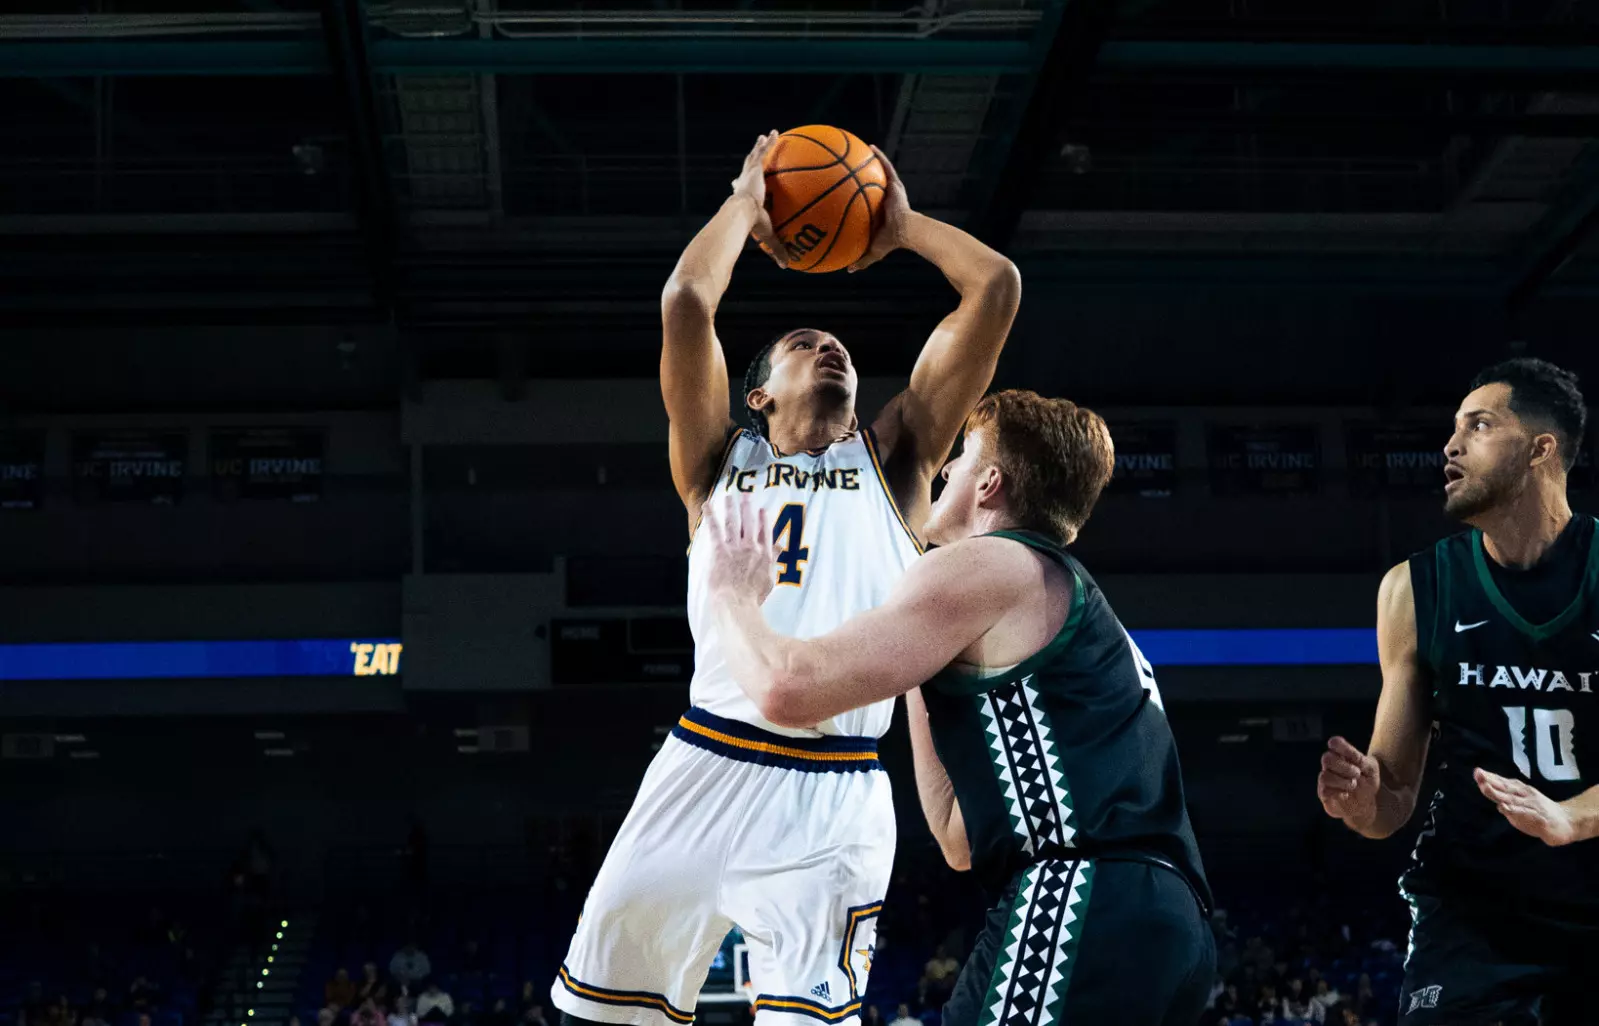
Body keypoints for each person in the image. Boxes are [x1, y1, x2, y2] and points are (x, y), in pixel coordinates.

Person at [551, 130, 1021, 1026]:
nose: (830, 347)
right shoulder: (714, 464)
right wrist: (745, 203)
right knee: (598, 1019)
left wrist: (904, 227)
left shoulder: (899, 461)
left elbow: (994, 289)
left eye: (838, 343)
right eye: (806, 342)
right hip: (702, 762)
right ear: (758, 394)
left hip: (834, 789)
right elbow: (687, 300)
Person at [704, 390, 1214, 1026]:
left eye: (965, 456)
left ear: (991, 483)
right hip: (1170, 924)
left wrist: (730, 595)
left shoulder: (991, 564)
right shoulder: (1066, 596)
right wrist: (918, 664)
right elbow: (958, 837)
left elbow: (785, 688)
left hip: (1084, 897)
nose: (946, 470)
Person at [1317, 358, 1599, 1025]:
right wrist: (1360, 799)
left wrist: (1570, 818)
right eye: (1452, 428)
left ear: (1539, 449)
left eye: (1477, 426)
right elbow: (1390, 802)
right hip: (1470, 914)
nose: (1449, 446)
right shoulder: (1413, 589)